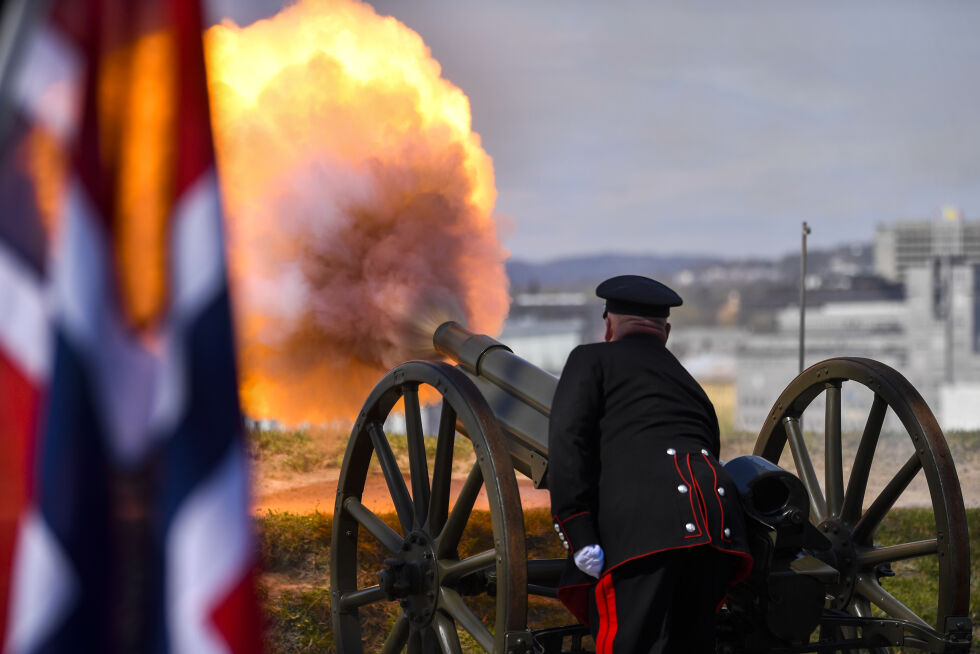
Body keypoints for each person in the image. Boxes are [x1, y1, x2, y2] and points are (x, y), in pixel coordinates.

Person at [548, 275, 753, 653]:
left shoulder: (590, 358)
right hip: (716, 528)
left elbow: (567, 443)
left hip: (643, 528)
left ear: (609, 324)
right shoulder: (688, 381)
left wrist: (579, 532)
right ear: (666, 331)